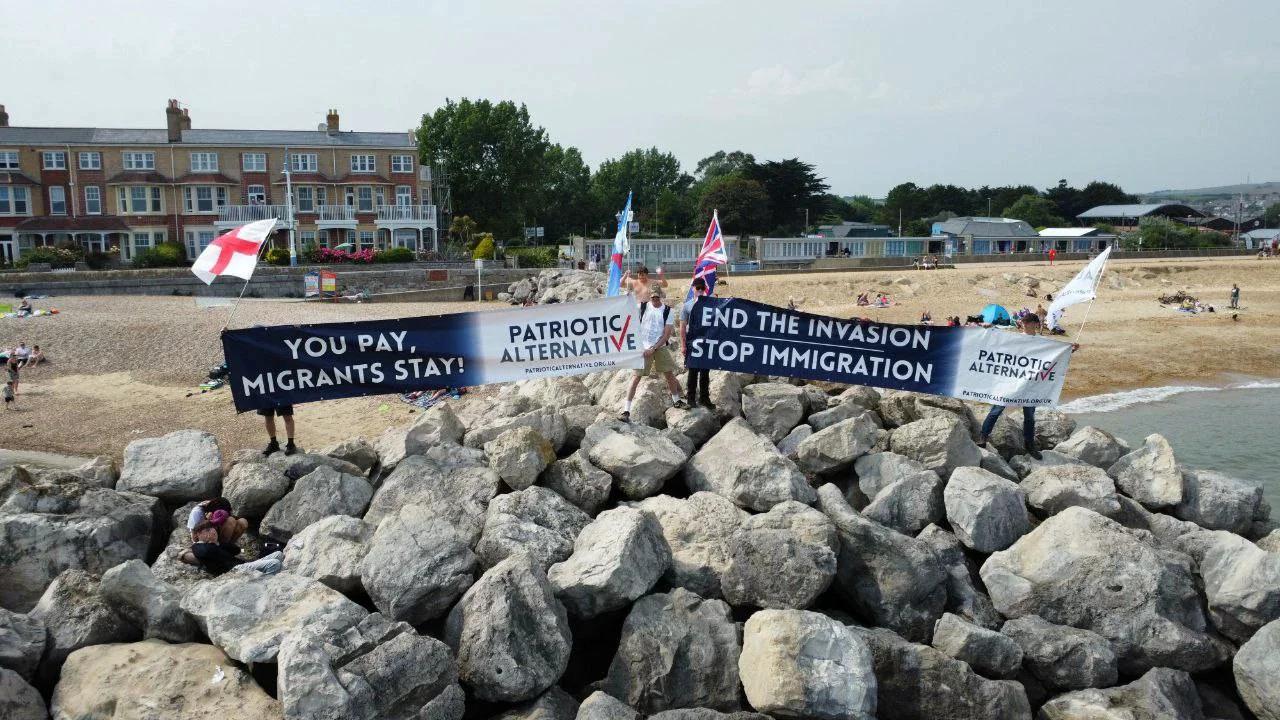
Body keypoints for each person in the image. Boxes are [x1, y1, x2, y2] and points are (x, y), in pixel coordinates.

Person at [978, 313, 1079, 461]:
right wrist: (990, 328)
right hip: (1011, 382)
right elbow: (999, 341)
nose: (1024, 324)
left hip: (1031, 384)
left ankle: (1030, 445)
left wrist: (1071, 349)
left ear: (1035, 324)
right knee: (996, 409)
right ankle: (983, 437)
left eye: (1027, 322)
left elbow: (1056, 353)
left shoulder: (1042, 341)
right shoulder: (1016, 338)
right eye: (1023, 322)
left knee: (1030, 417)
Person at [621, 289, 687, 421]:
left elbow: (666, 334)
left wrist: (654, 348)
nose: (654, 299)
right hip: (642, 348)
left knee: (669, 374)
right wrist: (626, 296)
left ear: (661, 297)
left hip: (659, 346)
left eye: (657, 297)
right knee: (636, 377)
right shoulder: (643, 306)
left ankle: (676, 400)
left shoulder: (668, 310)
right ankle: (626, 410)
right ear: (650, 297)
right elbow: (626, 309)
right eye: (652, 297)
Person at [681, 278, 713, 410]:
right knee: (693, 371)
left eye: (702, 288)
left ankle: (705, 398)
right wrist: (683, 345)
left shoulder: (711, 304)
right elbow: (683, 327)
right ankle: (691, 398)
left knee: (705, 372)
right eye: (697, 288)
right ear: (693, 288)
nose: (700, 290)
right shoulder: (687, 306)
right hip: (692, 342)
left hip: (706, 342)